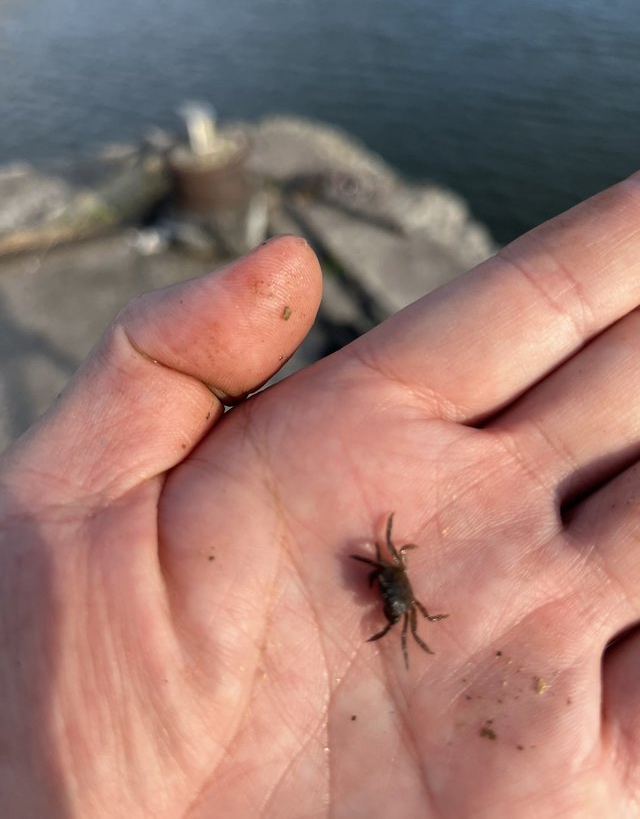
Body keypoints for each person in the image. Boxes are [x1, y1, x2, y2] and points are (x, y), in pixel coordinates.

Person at [0, 173, 639, 817]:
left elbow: (401, 591)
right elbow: (390, 567)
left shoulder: (397, 587)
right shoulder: (390, 573)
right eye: (385, 591)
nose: (378, 590)